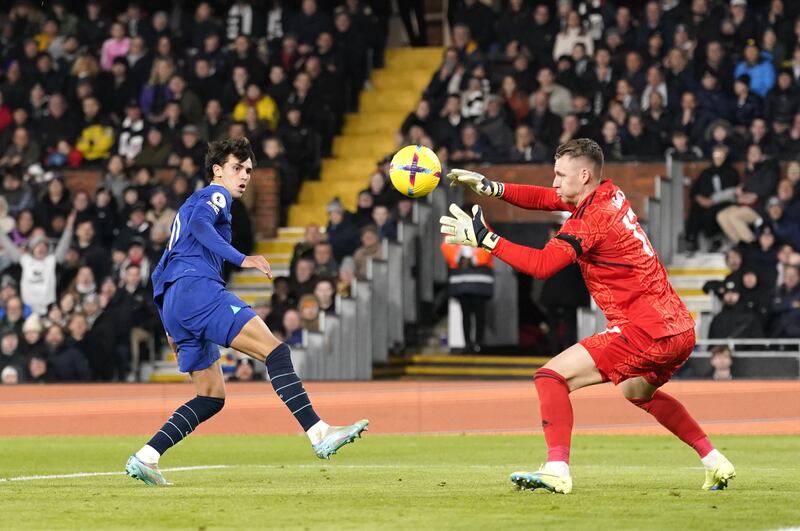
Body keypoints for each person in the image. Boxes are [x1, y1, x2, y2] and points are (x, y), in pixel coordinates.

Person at [441, 138, 735, 494]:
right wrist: (492, 188)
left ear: (583, 175)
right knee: (637, 392)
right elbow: (548, 199)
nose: (554, 182)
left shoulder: (591, 220)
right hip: (678, 327)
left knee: (550, 376)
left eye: (560, 175)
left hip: (644, 328)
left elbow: (543, 265)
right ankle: (714, 460)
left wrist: (486, 239)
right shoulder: (610, 194)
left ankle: (557, 469)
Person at [125, 138, 368, 486]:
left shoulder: (188, 206)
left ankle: (147, 457)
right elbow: (199, 228)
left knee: (210, 396)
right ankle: (319, 433)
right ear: (217, 170)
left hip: (176, 300)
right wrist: (243, 258)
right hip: (199, 290)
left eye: (249, 170)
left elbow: (161, 269)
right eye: (237, 168)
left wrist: (168, 323)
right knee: (276, 351)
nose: (244, 176)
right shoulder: (215, 195)